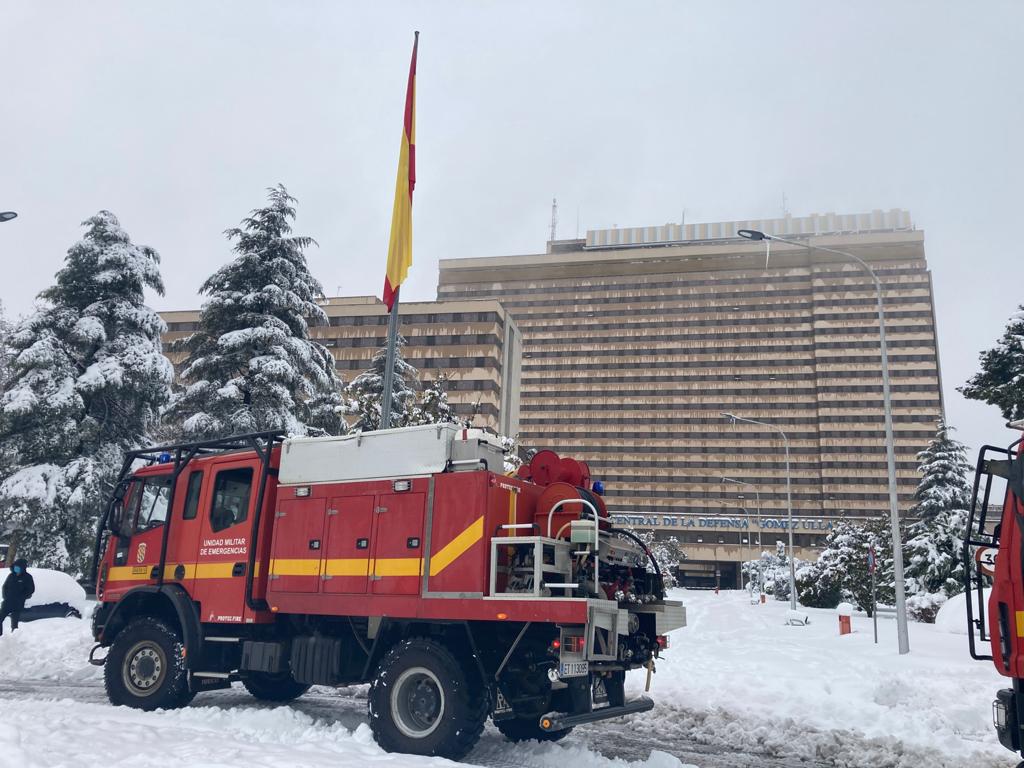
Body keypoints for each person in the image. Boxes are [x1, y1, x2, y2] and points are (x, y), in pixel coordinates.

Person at [0, 558, 35, 635]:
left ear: (22, 568)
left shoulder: (28, 577)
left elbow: (31, 589)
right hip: (7, 603)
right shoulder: (11, 575)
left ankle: (14, 639)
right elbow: (5, 586)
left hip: (17, 604)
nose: (16, 568)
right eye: (15, 567)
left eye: (18, 567)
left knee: (14, 624)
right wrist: (5, 596)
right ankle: (0, 637)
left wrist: (21, 597)